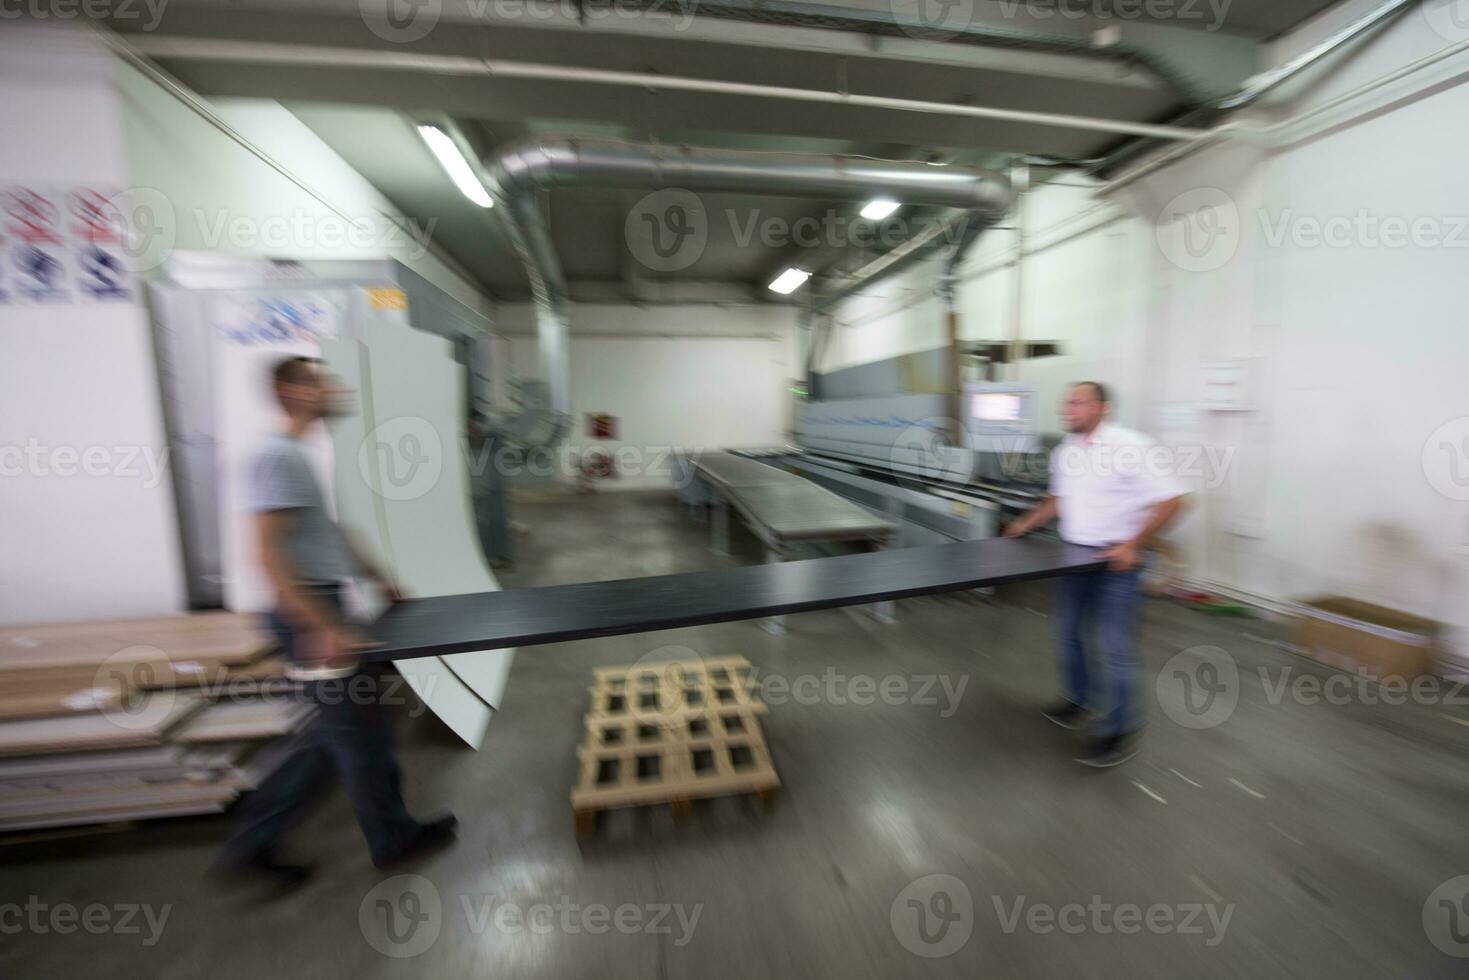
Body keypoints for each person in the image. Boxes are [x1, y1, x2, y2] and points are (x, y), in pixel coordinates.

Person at [216, 356, 456, 887]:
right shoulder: (278, 456)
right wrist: (318, 624)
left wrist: (377, 576)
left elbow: (324, 534)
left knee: (338, 737)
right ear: (297, 392)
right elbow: (268, 553)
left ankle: (255, 840)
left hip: (323, 603)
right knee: (357, 734)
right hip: (310, 611)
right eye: (322, 378)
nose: (334, 387)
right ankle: (386, 839)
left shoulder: (300, 455)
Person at [1004, 381, 1187, 768]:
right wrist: (1026, 523)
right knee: (1067, 631)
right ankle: (1080, 698)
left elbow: (1173, 501)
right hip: (1073, 558)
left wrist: (1133, 543)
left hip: (1116, 564)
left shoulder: (1131, 447)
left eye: (1077, 403)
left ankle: (1120, 729)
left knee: (1113, 646)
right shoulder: (1066, 450)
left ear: (1103, 408)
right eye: (1065, 403)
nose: (1067, 409)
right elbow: (1059, 498)